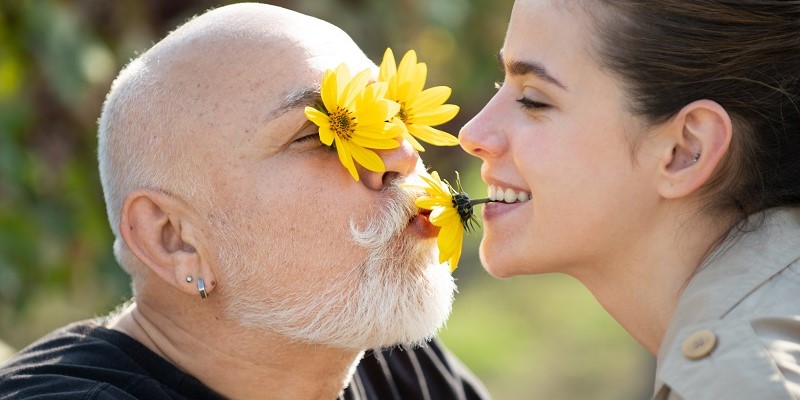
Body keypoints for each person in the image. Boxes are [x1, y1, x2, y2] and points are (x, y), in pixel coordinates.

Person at [0, 3, 489, 400]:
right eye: (317, 137)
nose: (402, 156)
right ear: (174, 239)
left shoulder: (396, 363)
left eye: (391, 118)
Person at [459, 0, 800, 399]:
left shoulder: (742, 384)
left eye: (533, 99)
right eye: (500, 84)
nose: (472, 134)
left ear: (684, 150)